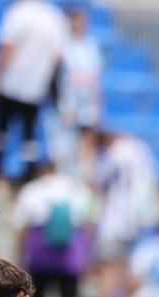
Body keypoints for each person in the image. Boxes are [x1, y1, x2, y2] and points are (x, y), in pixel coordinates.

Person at [13, 160, 94, 297]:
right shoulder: (76, 189)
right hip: (70, 254)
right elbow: (86, 225)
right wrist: (84, 255)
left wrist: (21, 255)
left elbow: (22, 227)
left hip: (40, 254)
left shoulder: (31, 191)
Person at [0, 0, 66, 179]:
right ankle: (28, 175)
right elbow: (58, 57)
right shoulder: (54, 17)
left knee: (2, 131)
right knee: (29, 135)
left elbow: (7, 49)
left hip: (11, 83)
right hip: (36, 87)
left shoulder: (17, 13)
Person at [93, 129, 157, 297]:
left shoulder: (115, 152)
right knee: (127, 264)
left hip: (115, 218)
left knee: (109, 265)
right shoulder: (140, 149)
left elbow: (97, 179)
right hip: (137, 217)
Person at [54, 4, 102, 172]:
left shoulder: (91, 47)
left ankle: (84, 176)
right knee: (66, 145)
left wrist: (98, 106)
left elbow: (95, 80)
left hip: (87, 104)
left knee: (86, 145)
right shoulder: (63, 46)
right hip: (68, 105)